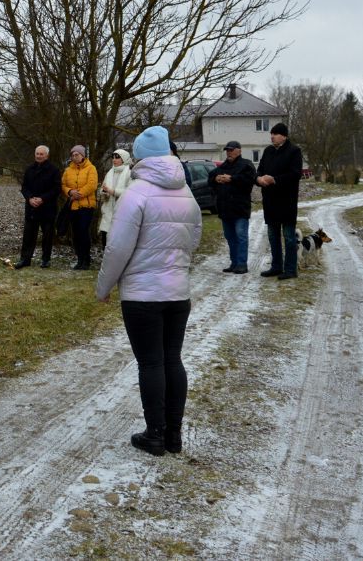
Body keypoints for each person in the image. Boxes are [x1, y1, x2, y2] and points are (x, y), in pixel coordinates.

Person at [96, 127, 201, 456]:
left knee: (151, 363)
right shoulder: (186, 191)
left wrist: (103, 286)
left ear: (140, 156)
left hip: (143, 296)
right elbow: (193, 238)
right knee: (173, 359)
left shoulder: (136, 193)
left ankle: (154, 434)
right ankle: (174, 435)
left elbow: (117, 248)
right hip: (177, 292)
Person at [255, 123, 303, 280]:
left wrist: (275, 180)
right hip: (270, 201)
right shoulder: (268, 151)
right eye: (271, 134)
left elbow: (295, 174)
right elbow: (260, 169)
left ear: (284, 136)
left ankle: (290, 269)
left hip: (286, 202)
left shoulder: (294, 151)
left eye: (275, 134)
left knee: (289, 237)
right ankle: (276, 266)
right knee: (272, 236)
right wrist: (259, 178)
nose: (272, 136)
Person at [206, 140, 256, 274]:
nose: (229, 152)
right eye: (227, 150)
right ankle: (234, 263)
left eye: (231, 150)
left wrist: (232, 179)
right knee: (230, 237)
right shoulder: (223, 166)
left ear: (239, 150)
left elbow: (250, 180)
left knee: (241, 236)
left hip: (240, 208)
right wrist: (215, 179)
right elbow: (210, 178)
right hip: (225, 208)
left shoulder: (246, 165)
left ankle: (242, 264)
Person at [14, 145, 61, 269]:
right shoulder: (29, 169)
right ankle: (25, 259)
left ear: (47, 155)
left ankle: (46, 259)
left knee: (47, 235)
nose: (39, 156)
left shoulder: (54, 170)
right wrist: (29, 198)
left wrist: (42, 198)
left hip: (47, 208)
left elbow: (56, 189)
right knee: (28, 235)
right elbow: (24, 187)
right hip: (31, 208)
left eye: (41, 154)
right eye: (37, 154)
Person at [61, 144, 98, 270]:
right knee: (75, 234)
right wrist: (70, 192)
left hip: (86, 206)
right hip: (73, 207)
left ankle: (86, 260)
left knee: (83, 232)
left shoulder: (91, 168)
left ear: (83, 155)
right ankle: (79, 259)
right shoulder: (67, 170)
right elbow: (63, 185)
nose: (74, 157)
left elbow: (92, 185)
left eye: (77, 154)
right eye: (73, 155)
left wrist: (79, 193)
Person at [98, 149, 133, 250]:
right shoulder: (109, 172)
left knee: (118, 243)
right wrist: (104, 192)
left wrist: (113, 191)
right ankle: (105, 264)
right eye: (113, 157)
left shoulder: (129, 173)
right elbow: (103, 190)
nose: (114, 160)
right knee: (105, 241)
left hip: (122, 212)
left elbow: (130, 192)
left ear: (124, 159)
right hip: (108, 211)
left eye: (117, 157)